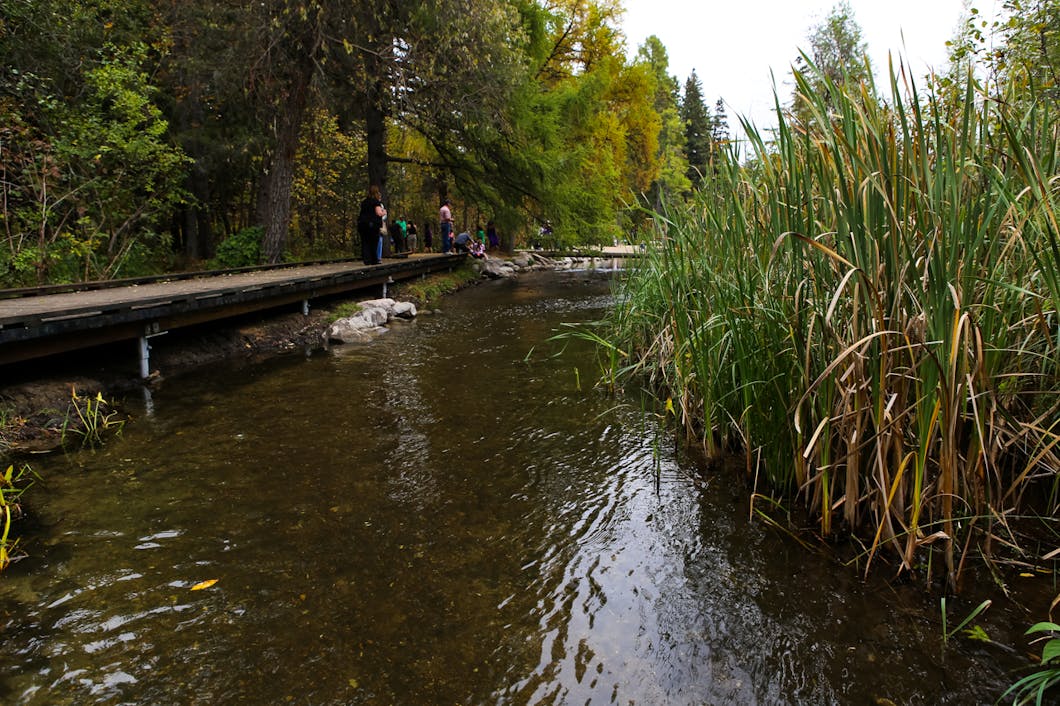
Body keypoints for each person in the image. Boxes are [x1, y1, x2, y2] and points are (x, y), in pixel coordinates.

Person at [356, 185, 386, 265]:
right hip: (372, 225)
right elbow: (379, 213)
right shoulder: (376, 202)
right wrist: (384, 212)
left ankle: (366, 259)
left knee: (365, 243)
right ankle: (374, 260)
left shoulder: (364, 202)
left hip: (362, 224)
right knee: (373, 243)